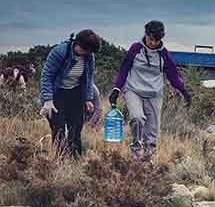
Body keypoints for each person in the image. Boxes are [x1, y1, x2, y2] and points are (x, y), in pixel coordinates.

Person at [110, 20, 192, 158]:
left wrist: (183, 91)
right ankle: (136, 151)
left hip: (154, 93)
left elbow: (173, 74)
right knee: (137, 118)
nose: (152, 43)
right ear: (146, 35)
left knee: (152, 129)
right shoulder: (136, 49)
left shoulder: (163, 54)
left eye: (156, 40)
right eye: (150, 39)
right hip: (133, 90)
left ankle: (149, 157)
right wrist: (117, 89)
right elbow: (124, 69)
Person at [40, 30, 101, 157]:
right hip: (57, 93)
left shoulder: (89, 57)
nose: (88, 54)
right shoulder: (59, 52)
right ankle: (59, 160)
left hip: (75, 92)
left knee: (76, 127)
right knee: (59, 128)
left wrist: (87, 99)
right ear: (78, 44)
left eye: (90, 52)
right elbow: (46, 76)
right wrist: (48, 100)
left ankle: (75, 160)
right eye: (86, 50)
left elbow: (88, 78)